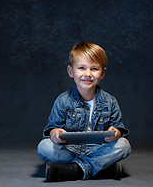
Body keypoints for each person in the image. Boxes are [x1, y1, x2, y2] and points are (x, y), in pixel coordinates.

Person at [37, 41, 131, 182]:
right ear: (71, 71)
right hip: (70, 149)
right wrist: (54, 133)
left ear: (103, 73)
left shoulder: (110, 102)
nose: (88, 74)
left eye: (94, 69)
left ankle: (75, 170)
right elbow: (51, 129)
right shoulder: (62, 101)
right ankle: (101, 167)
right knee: (44, 147)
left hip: (98, 148)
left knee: (124, 145)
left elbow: (119, 129)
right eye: (81, 68)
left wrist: (116, 133)